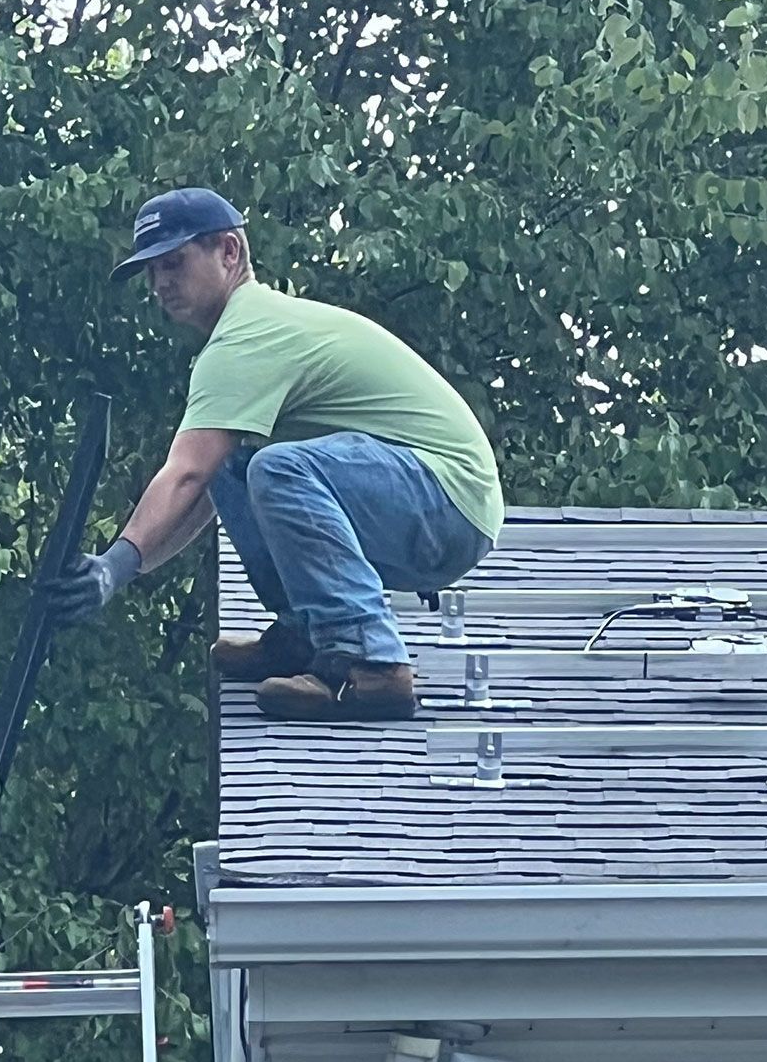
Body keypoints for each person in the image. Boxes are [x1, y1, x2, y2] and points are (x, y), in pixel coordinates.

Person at [51, 188, 503, 722]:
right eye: (151, 271)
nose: (160, 283)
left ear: (229, 252)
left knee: (276, 467)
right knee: (237, 466)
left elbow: (185, 475)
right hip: (424, 501)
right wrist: (120, 569)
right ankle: (308, 634)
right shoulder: (249, 333)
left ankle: (370, 662)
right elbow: (205, 482)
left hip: (446, 502)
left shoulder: (247, 335)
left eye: (173, 262)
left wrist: (112, 567)